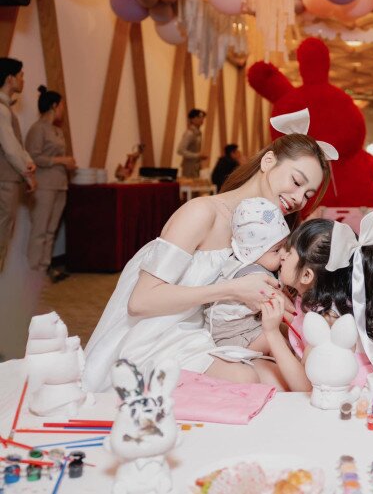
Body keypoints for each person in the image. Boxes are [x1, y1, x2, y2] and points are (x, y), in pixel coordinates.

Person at [83, 109, 333, 393]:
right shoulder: (202, 213)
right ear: (268, 161)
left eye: (307, 195)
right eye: (297, 182)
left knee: (283, 380)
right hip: (162, 333)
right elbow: (140, 301)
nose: (299, 198)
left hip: (212, 334)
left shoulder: (272, 231)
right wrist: (234, 290)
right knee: (247, 380)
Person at [258, 212, 373, 393]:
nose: (282, 255)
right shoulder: (326, 300)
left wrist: (272, 332)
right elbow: (298, 327)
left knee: (261, 373)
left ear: (307, 275)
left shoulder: (326, 321)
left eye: (289, 252)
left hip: (350, 394)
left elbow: (304, 387)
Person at [203, 197, 289, 349]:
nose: (284, 254)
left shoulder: (239, 262)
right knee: (280, 342)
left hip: (245, 328)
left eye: (285, 246)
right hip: (234, 337)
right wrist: (300, 322)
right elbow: (283, 305)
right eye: (276, 250)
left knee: (284, 334)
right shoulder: (255, 276)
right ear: (254, 252)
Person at [25, 85, 76, 282]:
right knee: (39, 230)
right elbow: (33, 156)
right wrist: (62, 160)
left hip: (60, 185)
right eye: (62, 105)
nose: (63, 110)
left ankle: (45, 269)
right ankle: (32, 273)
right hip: (44, 185)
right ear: (54, 105)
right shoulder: (37, 129)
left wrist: (67, 164)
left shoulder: (57, 131)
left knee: (50, 230)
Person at [0, 57, 36, 272]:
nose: (23, 80)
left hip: (6, 179)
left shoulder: (5, 108)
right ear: (10, 79)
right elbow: (10, 148)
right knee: (2, 233)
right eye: (21, 75)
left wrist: (28, 161)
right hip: (4, 180)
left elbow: (15, 145)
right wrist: (27, 173)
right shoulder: (2, 109)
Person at [177, 108, 207, 178]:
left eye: (203, 117)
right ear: (192, 119)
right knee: (190, 184)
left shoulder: (198, 133)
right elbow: (180, 150)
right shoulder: (189, 133)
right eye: (199, 117)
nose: (202, 119)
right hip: (189, 167)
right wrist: (197, 155)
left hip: (196, 166)